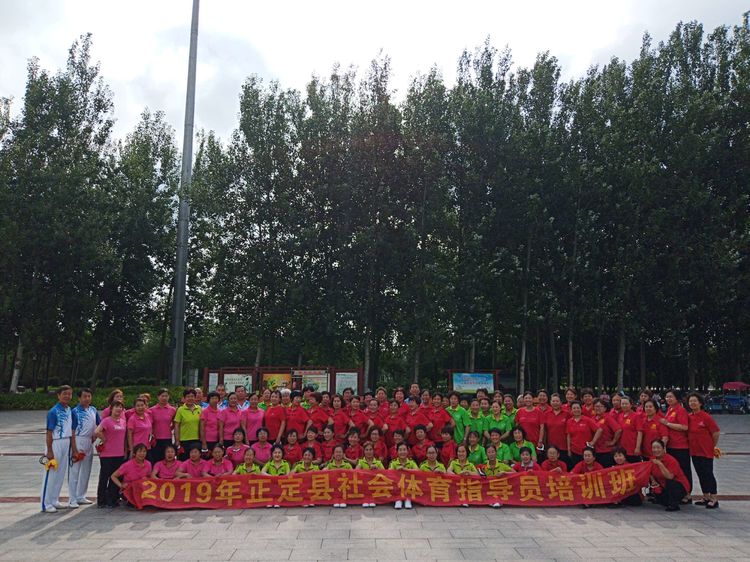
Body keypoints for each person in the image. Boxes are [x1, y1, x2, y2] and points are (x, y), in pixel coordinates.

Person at [42, 385, 78, 512]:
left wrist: (74, 449)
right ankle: (46, 503)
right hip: (55, 442)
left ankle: (54, 500)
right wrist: (49, 450)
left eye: (69, 394)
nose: (67, 396)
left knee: (60, 473)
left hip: (66, 442)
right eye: (64, 394)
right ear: (58, 395)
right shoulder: (53, 412)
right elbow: (49, 432)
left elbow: (72, 431)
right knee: (52, 473)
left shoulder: (70, 411)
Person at [687, 392, 720, 509]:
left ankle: (714, 498)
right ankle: (705, 496)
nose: (692, 403)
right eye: (690, 401)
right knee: (700, 474)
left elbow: (716, 432)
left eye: (695, 401)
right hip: (694, 451)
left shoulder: (706, 417)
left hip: (706, 451)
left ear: (700, 403)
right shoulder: (689, 417)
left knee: (708, 474)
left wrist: (712, 446)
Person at [69, 387, 99, 508]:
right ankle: (72, 499)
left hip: (89, 442)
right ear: (79, 398)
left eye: (89, 396)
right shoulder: (74, 412)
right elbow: (72, 431)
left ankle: (81, 496)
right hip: (78, 440)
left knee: (86, 470)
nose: (87, 399)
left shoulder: (93, 410)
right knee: (75, 471)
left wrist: (96, 435)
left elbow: (99, 424)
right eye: (84, 396)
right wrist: (74, 449)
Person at [95, 400, 127, 508]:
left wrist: (125, 451)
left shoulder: (123, 421)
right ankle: (101, 500)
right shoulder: (107, 421)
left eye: (120, 407)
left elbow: (124, 438)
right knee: (105, 477)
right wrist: (104, 439)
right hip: (107, 454)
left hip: (119, 454)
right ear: (111, 409)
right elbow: (97, 431)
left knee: (115, 477)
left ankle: (112, 499)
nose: (118, 409)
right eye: (116, 407)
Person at [662, 389, 691, 502]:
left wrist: (668, 424)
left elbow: (684, 427)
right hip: (671, 445)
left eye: (671, 397)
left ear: (677, 398)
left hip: (680, 446)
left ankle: (687, 494)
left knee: (683, 470)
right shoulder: (670, 409)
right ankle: (678, 493)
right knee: (674, 470)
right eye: (667, 397)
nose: (668, 399)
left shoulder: (681, 410)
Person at [649, 439, 690, 512]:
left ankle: (674, 504)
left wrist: (660, 464)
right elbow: (649, 471)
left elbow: (670, 476)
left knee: (670, 482)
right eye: (654, 448)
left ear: (663, 448)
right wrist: (653, 481)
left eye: (658, 448)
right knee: (661, 501)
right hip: (663, 484)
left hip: (678, 485)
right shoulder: (652, 459)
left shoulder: (671, 460)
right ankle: (668, 500)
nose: (656, 450)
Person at [565, 402, 602, 467]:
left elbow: (599, 430)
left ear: (581, 409)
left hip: (587, 452)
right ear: (571, 410)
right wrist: (569, 450)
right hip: (574, 451)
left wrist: (593, 442)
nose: (576, 410)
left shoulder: (587, 420)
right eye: (574, 408)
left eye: (578, 408)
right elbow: (568, 436)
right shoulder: (569, 421)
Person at [148, 389, 176, 463]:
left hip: (168, 438)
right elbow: (149, 425)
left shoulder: (173, 410)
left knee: (167, 459)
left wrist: (169, 429)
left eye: (166, 396)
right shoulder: (151, 410)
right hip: (155, 439)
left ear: (169, 397)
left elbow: (175, 424)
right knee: (156, 459)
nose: (164, 398)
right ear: (158, 397)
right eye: (162, 396)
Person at [174, 388, 202, 460]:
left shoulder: (199, 408)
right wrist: (177, 441)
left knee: (195, 460)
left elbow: (201, 425)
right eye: (188, 396)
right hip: (184, 440)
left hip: (196, 440)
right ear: (184, 398)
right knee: (184, 460)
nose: (190, 398)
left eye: (192, 396)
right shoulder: (180, 410)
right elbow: (176, 426)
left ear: (195, 397)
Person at [592, 398, 621, 468]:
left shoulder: (608, 418)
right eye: (596, 406)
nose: (598, 408)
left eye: (600, 406)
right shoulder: (592, 419)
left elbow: (618, 430)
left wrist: (613, 442)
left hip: (606, 450)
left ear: (605, 408)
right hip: (595, 450)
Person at [390, 443, 418, 509]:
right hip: (397, 485)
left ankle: (408, 499)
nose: (402, 452)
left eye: (404, 450)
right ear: (397, 451)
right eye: (400, 450)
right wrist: (396, 471)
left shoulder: (411, 462)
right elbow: (389, 472)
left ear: (408, 451)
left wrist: (405, 470)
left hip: (409, 486)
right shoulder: (393, 462)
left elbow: (418, 471)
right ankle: (398, 499)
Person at [544, 393, 570, 466]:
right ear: (550, 402)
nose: (555, 403)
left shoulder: (567, 414)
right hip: (550, 446)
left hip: (563, 446)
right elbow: (544, 431)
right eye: (553, 401)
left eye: (557, 401)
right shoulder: (546, 414)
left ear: (561, 402)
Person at [618, 396, 643, 462]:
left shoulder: (636, 416)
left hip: (632, 447)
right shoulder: (620, 416)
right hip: (622, 447)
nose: (624, 405)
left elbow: (640, 433)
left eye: (626, 404)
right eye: (622, 404)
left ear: (631, 405)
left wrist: (637, 447)